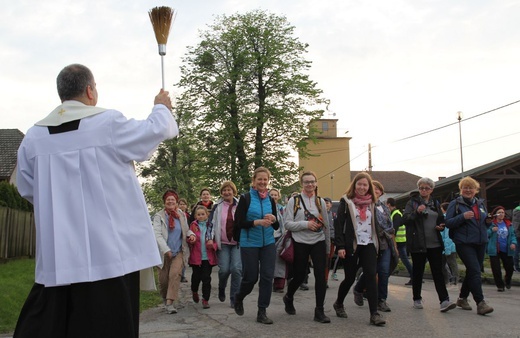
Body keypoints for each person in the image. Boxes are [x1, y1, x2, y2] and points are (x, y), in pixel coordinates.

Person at [14, 63, 178, 337]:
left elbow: (29, 189)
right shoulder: (107, 124)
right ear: (90, 91)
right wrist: (161, 106)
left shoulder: (33, 139)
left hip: (60, 255)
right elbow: (155, 130)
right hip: (109, 256)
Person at [333, 172, 386, 326]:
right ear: (354, 185)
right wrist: (340, 246)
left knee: (370, 275)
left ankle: (374, 314)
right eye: (359, 184)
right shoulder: (346, 201)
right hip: (352, 244)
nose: (362, 187)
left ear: (369, 187)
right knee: (349, 278)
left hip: (368, 244)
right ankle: (339, 303)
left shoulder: (373, 203)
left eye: (365, 185)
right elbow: (339, 225)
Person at [283, 171, 331, 323]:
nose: (310, 184)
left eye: (312, 182)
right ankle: (289, 296)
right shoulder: (294, 201)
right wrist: (305, 224)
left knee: (321, 277)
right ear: (302, 184)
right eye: (306, 182)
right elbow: (287, 223)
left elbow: (326, 226)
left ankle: (319, 311)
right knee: (299, 275)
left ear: (316, 183)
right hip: (300, 241)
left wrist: (328, 247)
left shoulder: (320, 202)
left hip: (318, 241)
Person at [233, 167, 279, 324]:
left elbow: (277, 226)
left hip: (268, 243)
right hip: (249, 242)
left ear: (268, 181)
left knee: (267, 277)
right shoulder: (245, 198)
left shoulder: (271, 200)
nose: (262, 182)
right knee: (251, 277)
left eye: (265, 179)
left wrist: (273, 218)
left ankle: (262, 311)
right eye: (259, 179)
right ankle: (239, 297)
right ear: (254, 181)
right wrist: (256, 222)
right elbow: (239, 223)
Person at [403, 177, 456, 312]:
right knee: (418, 272)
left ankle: (444, 300)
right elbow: (406, 219)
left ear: (431, 189)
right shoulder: (412, 203)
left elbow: (439, 219)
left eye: (426, 188)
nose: (424, 190)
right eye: (421, 188)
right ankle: (417, 299)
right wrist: (417, 212)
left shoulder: (435, 203)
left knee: (438, 272)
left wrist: (441, 226)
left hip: (435, 243)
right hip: (419, 243)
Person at [445, 176, 494, 315]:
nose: (468, 190)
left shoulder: (480, 204)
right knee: (475, 271)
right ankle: (481, 302)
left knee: (473, 271)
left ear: (475, 190)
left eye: (470, 187)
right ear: (461, 190)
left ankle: (462, 298)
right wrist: (462, 217)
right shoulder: (455, 204)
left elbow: (483, 223)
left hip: (480, 242)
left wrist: (489, 221)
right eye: (465, 187)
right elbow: (448, 222)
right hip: (464, 242)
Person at [353, 180, 395, 313]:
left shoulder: (384, 207)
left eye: (378, 189)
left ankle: (381, 300)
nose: (376, 190)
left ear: (381, 192)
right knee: (371, 271)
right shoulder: (366, 205)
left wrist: (392, 241)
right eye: (374, 188)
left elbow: (390, 225)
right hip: (373, 242)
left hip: (385, 242)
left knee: (383, 270)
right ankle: (359, 288)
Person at [154, 190, 194, 314]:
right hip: (163, 253)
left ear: (176, 202)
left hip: (179, 251)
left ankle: (170, 303)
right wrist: (166, 250)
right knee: (163, 280)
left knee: (174, 275)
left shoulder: (180, 215)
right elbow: (157, 235)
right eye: (168, 200)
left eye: (173, 200)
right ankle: (165, 298)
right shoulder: (159, 216)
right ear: (164, 202)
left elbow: (186, 230)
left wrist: (191, 234)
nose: (170, 201)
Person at [210, 181, 241, 307]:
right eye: (224, 190)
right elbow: (211, 224)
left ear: (234, 191)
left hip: (237, 243)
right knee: (224, 270)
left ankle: (234, 298)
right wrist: (209, 238)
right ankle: (221, 287)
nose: (226, 192)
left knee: (236, 269)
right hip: (222, 243)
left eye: (229, 190)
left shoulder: (240, 205)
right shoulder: (217, 206)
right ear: (221, 192)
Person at [188, 205, 218, 309]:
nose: (201, 216)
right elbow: (188, 237)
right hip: (196, 257)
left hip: (207, 257)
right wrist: (191, 239)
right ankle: (194, 291)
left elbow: (216, 240)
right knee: (196, 278)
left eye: (203, 214)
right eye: (198, 214)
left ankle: (206, 299)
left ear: (207, 215)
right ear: (196, 216)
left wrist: (213, 246)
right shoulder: (193, 225)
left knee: (206, 279)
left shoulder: (211, 226)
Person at [487, 206, 517, 291]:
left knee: (510, 267)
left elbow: (513, 235)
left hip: (506, 249)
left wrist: (513, 243)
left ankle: (507, 280)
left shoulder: (508, 224)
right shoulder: (491, 224)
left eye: (503, 212)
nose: (501, 214)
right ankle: (500, 286)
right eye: (499, 212)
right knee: (496, 268)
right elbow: (485, 234)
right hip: (494, 249)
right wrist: (491, 230)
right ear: (495, 214)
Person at [387, 197, 413, 285]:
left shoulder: (396, 214)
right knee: (400, 259)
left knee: (400, 259)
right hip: (399, 240)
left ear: (389, 204)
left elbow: (394, 229)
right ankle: (414, 276)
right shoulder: (396, 213)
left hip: (398, 241)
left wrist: (393, 242)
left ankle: (414, 276)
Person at [271, 188, 288, 293]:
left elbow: (286, 221)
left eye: (275, 195)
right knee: (268, 260)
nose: (273, 197)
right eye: (271, 195)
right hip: (268, 236)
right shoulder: (265, 207)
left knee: (278, 259)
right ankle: (267, 279)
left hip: (279, 236)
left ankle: (278, 283)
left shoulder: (282, 209)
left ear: (278, 197)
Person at [440, 202, 458, 285]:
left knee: (444, 263)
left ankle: (449, 279)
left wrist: (446, 248)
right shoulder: (454, 218)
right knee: (452, 263)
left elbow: (447, 235)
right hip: (453, 245)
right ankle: (454, 279)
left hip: (447, 246)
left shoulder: (445, 219)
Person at [324, 197, 337, 286]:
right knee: (322, 261)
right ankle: (322, 279)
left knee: (328, 261)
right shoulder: (319, 215)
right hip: (321, 240)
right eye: (324, 203)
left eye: (327, 203)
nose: (326, 205)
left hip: (331, 240)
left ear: (331, 205)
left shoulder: (334, 215)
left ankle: (325, 280)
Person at [178, 198, 191, 283]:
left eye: (184, 204)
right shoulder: (177, 214)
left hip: (187, 237)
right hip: (179, 238)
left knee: (185, 256)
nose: (182, 205)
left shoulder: (188, 216)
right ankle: (179, 274)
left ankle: (183, 274)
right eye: (180, 204)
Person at [513, 204, 520, 272]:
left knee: (516, 250)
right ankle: (516, 267)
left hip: (516, 232)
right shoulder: (518, 211)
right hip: (518, 233)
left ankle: (516, 266)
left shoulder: (516, 210)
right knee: (517, 251)